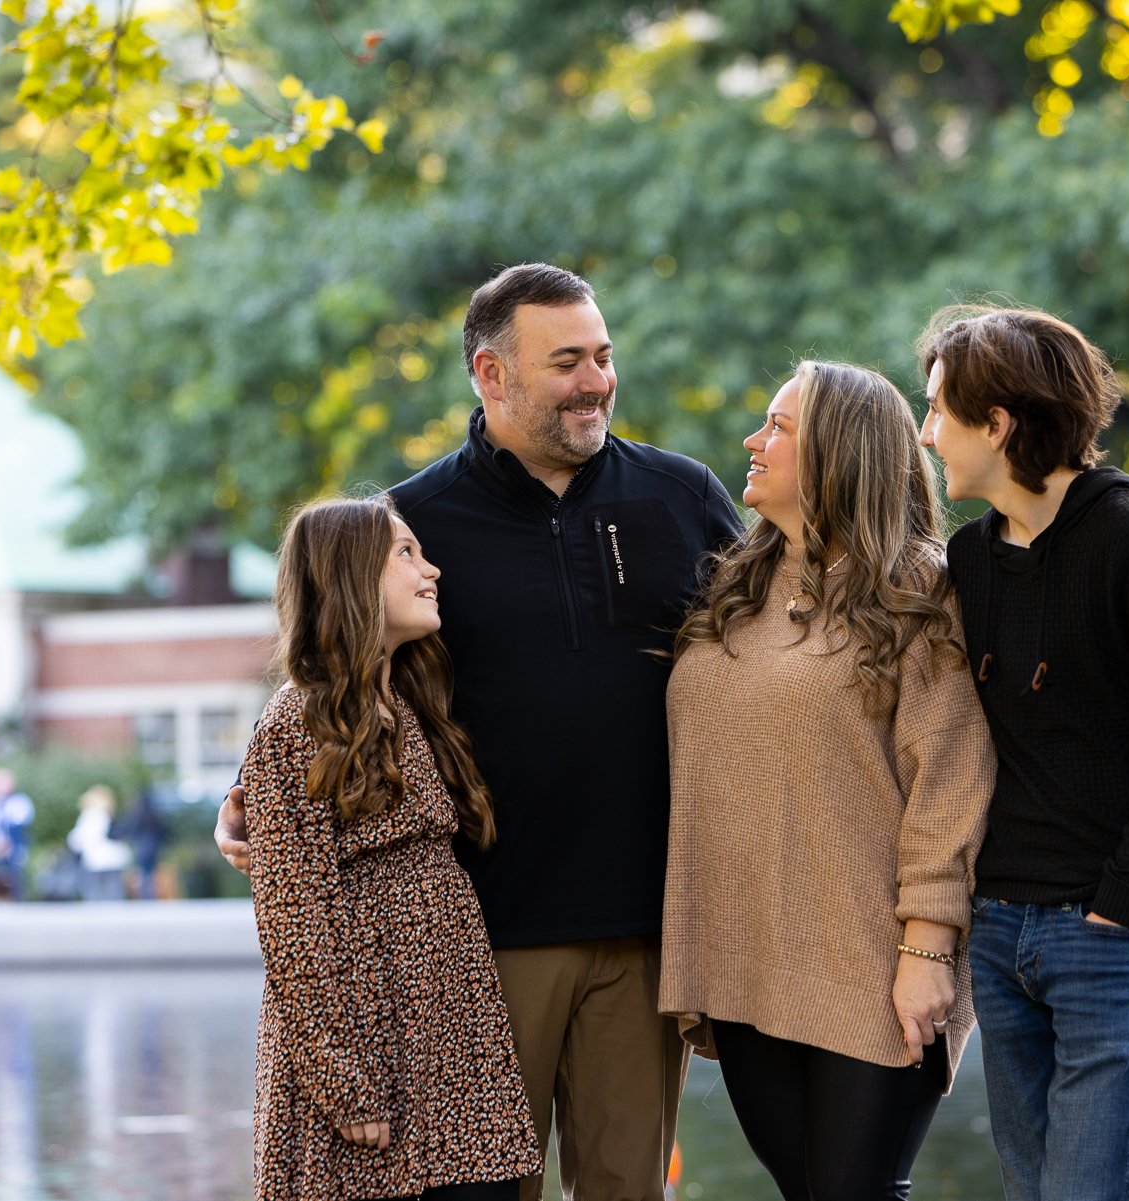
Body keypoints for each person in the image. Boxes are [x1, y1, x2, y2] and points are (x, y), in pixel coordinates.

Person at [221, 263, 740, 1201]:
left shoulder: (683, 494)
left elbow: (769, 668)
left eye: (604, 356)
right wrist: (248, 795)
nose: (596, 381)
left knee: (631, 1189)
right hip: (479, 939)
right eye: (567, 361)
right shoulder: (412, 525)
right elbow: (335, 680)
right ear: (491, 375)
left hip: (646, 926)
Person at [659, 361, 995, 1201]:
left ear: (840, 454)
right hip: (742, 953)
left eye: (778, 426)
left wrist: (927, 947)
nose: (752, 440)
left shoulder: (918, 589)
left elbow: (952, 775)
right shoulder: (736, 585)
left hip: (872, 957)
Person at [916, 305, 1129, 1201]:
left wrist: (1123, 900)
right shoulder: (969, 559)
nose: (926, 432)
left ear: (997, 424)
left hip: (1113, 927)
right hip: (1002, 926)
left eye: (938, 411)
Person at [242, 495, 538, 1201]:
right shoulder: (294, 719)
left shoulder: (410, 700)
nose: (430, 568)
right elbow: (292, 913)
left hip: (450, 1028)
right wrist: (345, 1082)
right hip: (363, 1043)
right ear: (348, 574)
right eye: (405, 552)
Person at [67, 784, 132, 901]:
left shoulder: (92, 815)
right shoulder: (104, 815)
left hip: (96, 858)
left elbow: (81, 838)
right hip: (108, 858)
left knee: (95, 890)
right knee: (112, 888)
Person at [0, 767, 35, 901]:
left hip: (14, 848)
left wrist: (6, 843)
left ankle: (17, 901)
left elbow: (20, 824)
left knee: (15, 878)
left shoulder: (18, 802)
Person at [115, 787, 167, 898]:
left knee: (143, 871)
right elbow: (163, 830)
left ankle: (145, 893)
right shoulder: (155, 813)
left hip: (142, 847)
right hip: (154, 847)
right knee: (150, 871)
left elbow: (131, 829)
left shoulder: (137, 813)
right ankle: (150, 893)